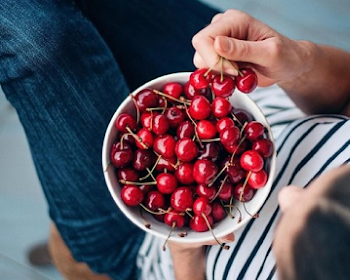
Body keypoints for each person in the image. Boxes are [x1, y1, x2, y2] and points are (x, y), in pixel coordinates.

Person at [157, 9, 350, 280]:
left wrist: (184, 253)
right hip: (227, 96)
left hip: (142, 249)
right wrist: (297, 63)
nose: (287, 194)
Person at [0, 1, 218, 279]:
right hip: (251, 98)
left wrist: (185, 253)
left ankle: (70, 246)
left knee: (35, 38)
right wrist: (292, 66)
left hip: (150, 242)